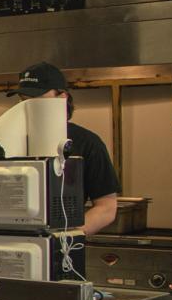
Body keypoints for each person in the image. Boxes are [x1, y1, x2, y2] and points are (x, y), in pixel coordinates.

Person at [8, 62, 119, 234]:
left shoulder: (87, 142)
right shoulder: (8, 139)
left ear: (62, 97)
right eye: (23, 100)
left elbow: (106, 208)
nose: (28, 107)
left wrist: (63, 239)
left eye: (36, 99)